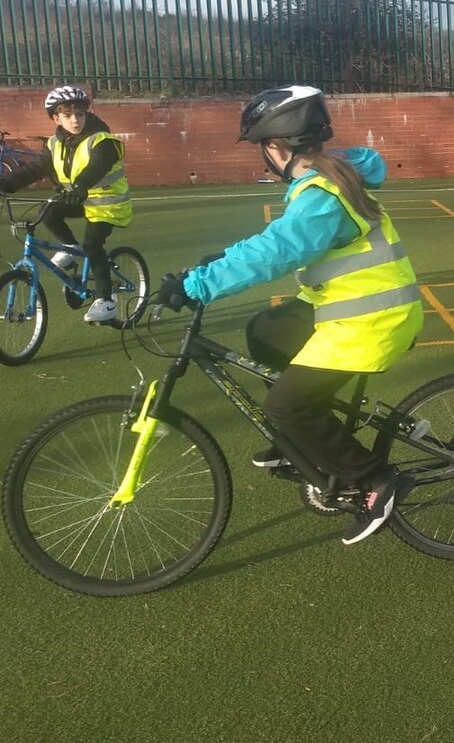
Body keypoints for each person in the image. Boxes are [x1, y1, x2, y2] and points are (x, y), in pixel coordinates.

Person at [156, 85, 425, 543]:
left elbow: (278, 251)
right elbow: (276, 238)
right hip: (350, 312)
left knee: (284, 404)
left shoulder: (321, 194)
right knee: (266, 330)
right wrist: (219, 257)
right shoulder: (326, 176)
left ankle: (375, 480)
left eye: (262, 147)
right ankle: (303, 440)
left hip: (372, 323)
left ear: (276, 146)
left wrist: (198, 286)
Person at [0, 86, 131, 323]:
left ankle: (107, 301)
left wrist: (80, 186)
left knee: (92, 245)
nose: (75, 120)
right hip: (80, 199)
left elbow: (97, 166)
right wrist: (5, 184)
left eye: (79, 114)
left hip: (108, 204)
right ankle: (68, 246)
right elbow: (34, 169)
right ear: (56, 118)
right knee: (48, 211)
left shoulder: (102, 140)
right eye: (68, 115)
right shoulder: (55, 143)